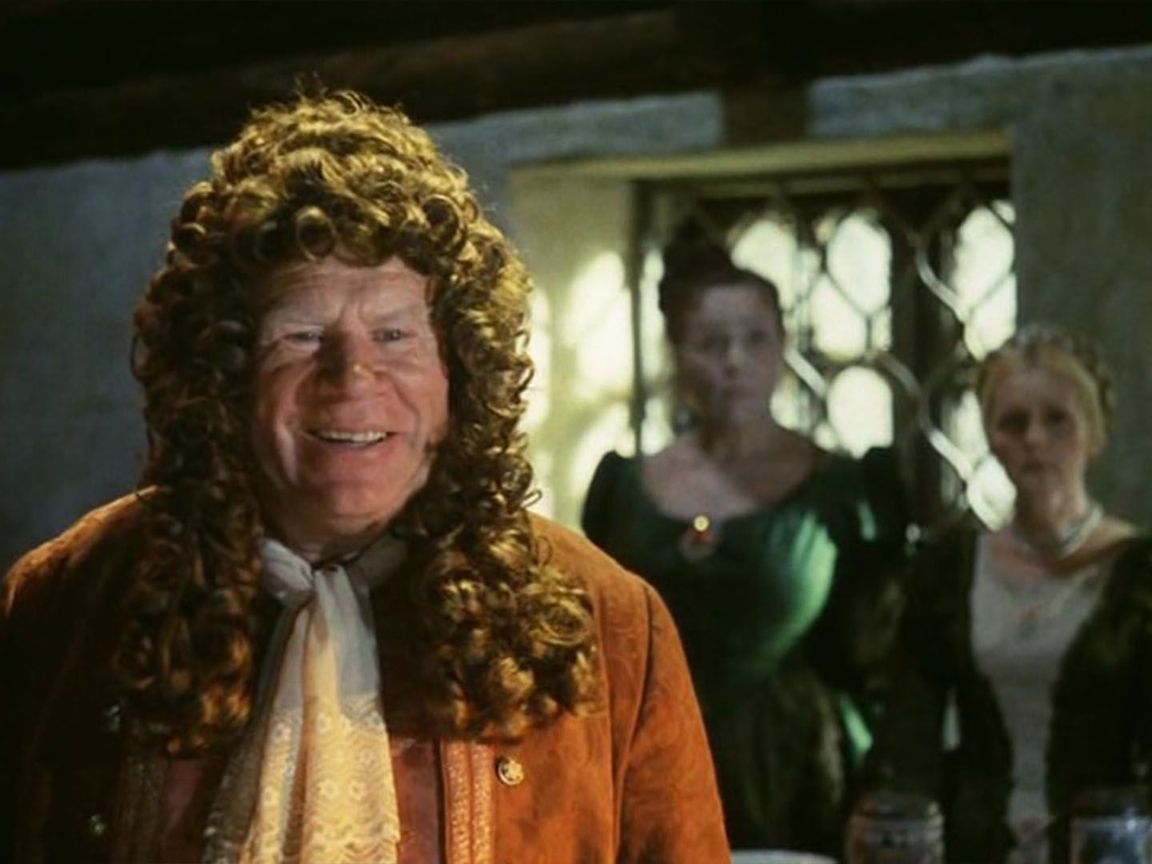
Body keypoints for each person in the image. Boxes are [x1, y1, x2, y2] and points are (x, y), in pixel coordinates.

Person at [0, 90, 728, 864]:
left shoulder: (609, 627)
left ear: (459, 373)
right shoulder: (68, 602)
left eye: (394, 334)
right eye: (301, 335)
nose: (352, 376)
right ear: (224, 370)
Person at [581, 228, 908, 854]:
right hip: (648, 761)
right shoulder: (625, 488)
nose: (734, 362)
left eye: (755, 339)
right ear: (677, 352)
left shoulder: (841, 488)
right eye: (711, 343)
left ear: (783, 347)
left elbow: (880, 661)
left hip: (794, 775)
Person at [868, 324, 1152, 864]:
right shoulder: (950, 571)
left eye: (1057, 420)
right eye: (1013, 422)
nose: (1035, 440)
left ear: (1094, 433)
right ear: (991, 436)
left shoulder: (1137, 573)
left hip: (1106, 845)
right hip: (976, 846)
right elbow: (909, 734)